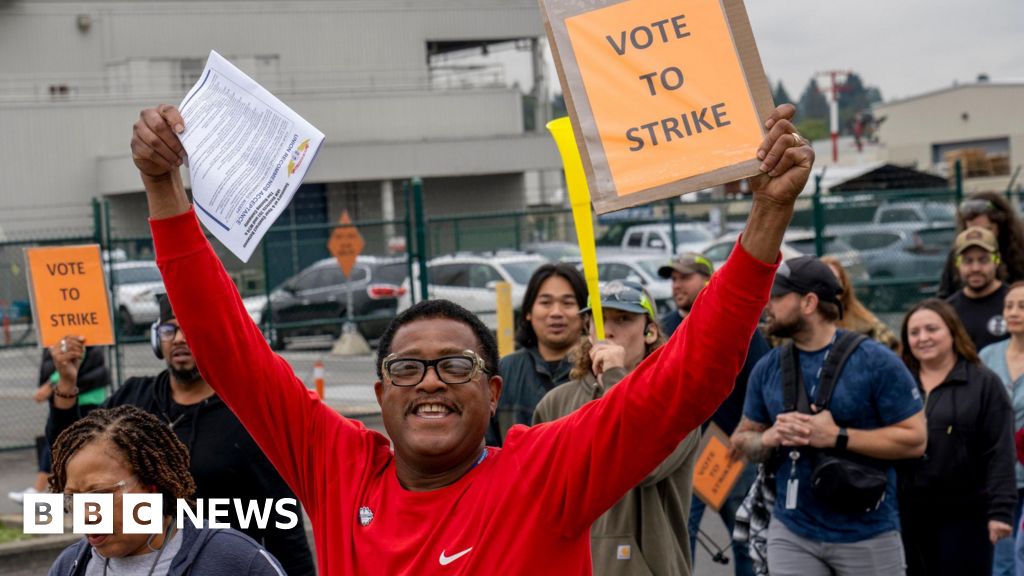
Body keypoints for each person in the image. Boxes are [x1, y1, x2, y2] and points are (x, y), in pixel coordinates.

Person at [130, 101, 812, 574]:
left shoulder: (542, 473)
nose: (429, 381)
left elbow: (687, 380)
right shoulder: (336, 466)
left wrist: (766, 220)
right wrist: (163, 187)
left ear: (491, 392)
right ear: (379, 393)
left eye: (454, 365)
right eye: (407, 369)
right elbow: (228, 347)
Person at [46, 294, 314, 576]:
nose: (178, 338)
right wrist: (66, 382)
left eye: (189, 328)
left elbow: (282, 521)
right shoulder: (133, 398)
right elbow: (72, 453)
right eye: (168, 330)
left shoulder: (247, 415)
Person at [731, 255, 927, 576]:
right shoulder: (768, 367)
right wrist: (771, 437)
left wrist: (838, 436)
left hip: (868, 531)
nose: (768, 305)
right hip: (792, 531)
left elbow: (916, 440)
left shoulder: (876, 361)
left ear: (808, 302)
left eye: (778, 296)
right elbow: (740, 442)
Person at [533, 280, 700, 575]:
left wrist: (614, 376)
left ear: (650, 331)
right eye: (599, 319)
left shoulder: (677, 403)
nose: (609, 330)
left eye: (624, 319)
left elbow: (641, 463)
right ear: (588, 330)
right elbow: (538, 498)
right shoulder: (555, 403)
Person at [47, 405, 287, 575]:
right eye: (73, 498)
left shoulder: (237, 562)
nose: (86, 515)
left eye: (100, 495)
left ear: (152, 489)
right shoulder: (70, 566)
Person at [657, 252, 767, 576]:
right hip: (681, 453)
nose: (677, 285)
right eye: (673, 278)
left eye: (685, 277)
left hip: (730, 448)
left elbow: (758, 379)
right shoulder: (663, 329)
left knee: (742, 539)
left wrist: (746, 431)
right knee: (682, 537)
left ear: (707, 280)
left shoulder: (735, 321)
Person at [898, 298, 1016, 576]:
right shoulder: (899, 381)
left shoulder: (983, 383)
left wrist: (1000, 511)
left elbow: (1000, 449)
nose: (923, 338)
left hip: (965, 513)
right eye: (914, 333)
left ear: (952, 331)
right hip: (907, 512)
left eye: (932, 329)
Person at [486, 262, 586, 446]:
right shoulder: (505, 371)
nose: (556, 313)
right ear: (528, 312)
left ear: (585, 314)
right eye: (545, 302)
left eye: (568, 303)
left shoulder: (596, 372)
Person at [8, 345, 109, 504]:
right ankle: (48, 491)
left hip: (82, 396)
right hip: (72, 394)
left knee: (62, 443)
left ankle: (47, 492)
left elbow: (75, 357)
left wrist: (51, 384)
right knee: (56, 442)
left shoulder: (71, 326)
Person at [980, 281, 1024, 576]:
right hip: (998, 478)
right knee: (1002, 558)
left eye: (1022, 306)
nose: (1013, 312)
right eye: (1009, 306)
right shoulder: (986, 357)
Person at [938, 192, 1024, 299]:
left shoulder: (1018, 253)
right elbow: (944, 296)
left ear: (1001, 227)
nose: (979, 236)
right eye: (972, 231)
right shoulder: (956, 255)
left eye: (987, 230)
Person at [947, 226, 1011, 351]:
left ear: (996, 260)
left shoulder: (1014, 304)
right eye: (967, 261)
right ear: (957, 263)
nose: (975, 268)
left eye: (983, 260)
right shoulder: (948, 310)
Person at [821, 255, 898, 350]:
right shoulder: (809, 323)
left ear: (844, 284)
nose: (831, 285)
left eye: (836, 280)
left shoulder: (864, 321)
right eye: (824, 281)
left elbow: (893, 346)